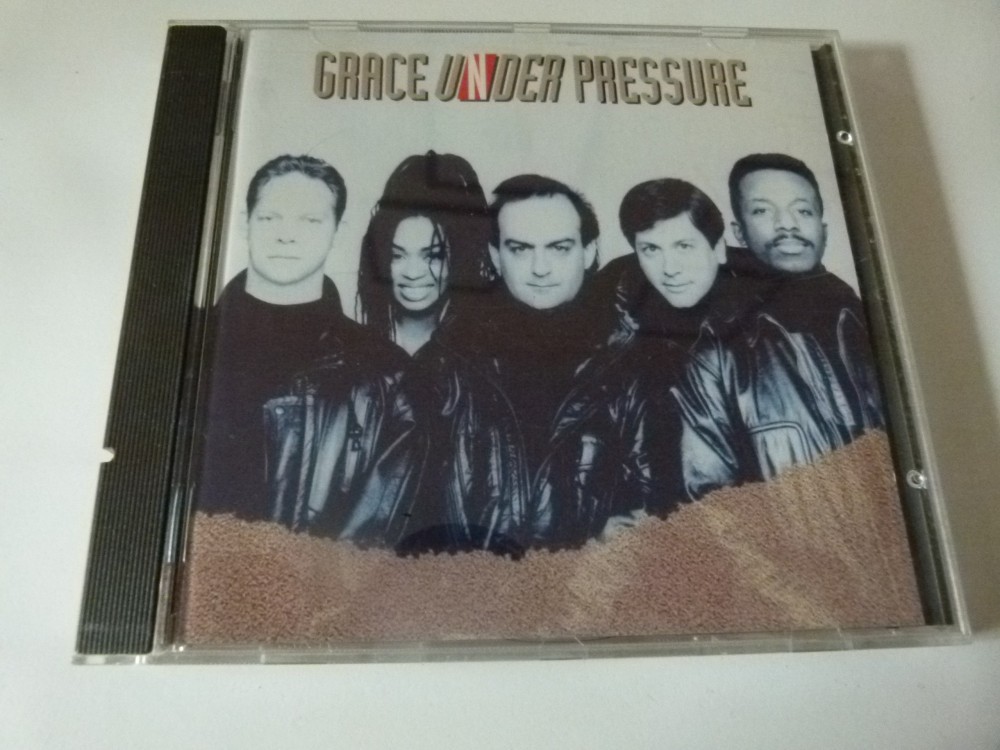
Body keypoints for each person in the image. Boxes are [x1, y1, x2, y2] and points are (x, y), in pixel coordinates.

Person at [195, 154, 419, 546]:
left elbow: (375, 537)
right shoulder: (184, 345)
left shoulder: (385, 371)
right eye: (270, 218)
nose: (287, 236)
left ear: (338, 231)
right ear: (245, 223)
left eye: (310, 221)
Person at [672, 154, 886, 498]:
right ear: (739, 232)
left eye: (803, 211)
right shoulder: (716, 355)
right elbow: (712, 505)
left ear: (823, 229)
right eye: (762, 211)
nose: (787, 224)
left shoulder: (879, 326)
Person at [355, 152, 528, 555]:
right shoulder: (353, 357)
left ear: (460, 255)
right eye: (398, 254)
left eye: (433, 255)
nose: (413, 272)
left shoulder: (489, 369)